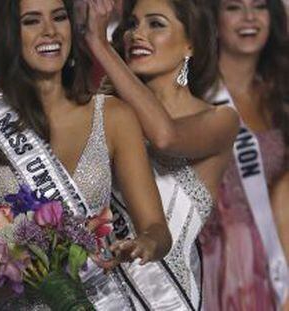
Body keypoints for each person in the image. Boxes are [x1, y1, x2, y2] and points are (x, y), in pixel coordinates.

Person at [0, 0, 172, 309]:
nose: (50, 31)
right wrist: (10, 262)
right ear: (8, 34)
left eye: (59, 17)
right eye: (32, 21)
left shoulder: (114, 116)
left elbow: (157, 229)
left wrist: (145, 243)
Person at [83, 0, 239, 309]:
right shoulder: (105, 112)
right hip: (94, 288)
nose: (137, 34)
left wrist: (99, 44)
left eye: (156, 24)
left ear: (190, 43)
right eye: (132, 24)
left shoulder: (222, 119)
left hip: (162, 297)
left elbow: (165, 137)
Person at [198, 0, 289, 310]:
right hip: (218, 264)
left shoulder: (281, 96)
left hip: (277, 258)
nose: (249, 17)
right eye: (234, 7)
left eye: (260, 6)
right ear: (214, 19)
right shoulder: (196, 94)